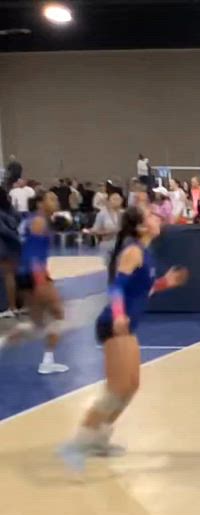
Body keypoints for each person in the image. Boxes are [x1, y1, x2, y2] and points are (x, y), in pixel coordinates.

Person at [58, 206, 188, 469]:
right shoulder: (133, 252)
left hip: (127, 325)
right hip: (113, 324)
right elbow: (117, 287)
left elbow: (142, 289)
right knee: (117, 388)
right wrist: (118, 315)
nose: (157, 217)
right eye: (151, 215)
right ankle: (79, 443)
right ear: (140, 227)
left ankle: (99, 437)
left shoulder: (146, 253)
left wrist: (166, 283)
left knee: (130, 386)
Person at [0, 190, 70, 375]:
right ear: (40, 203)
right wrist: (40, 282)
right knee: (57, 314)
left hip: (25, 274)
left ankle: (5, 340)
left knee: (37, 323)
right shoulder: (39, 222)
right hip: (35, 275)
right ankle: (47, 361)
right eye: (51, 198)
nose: (56, 201)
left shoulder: (31, 220)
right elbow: (33, 254)